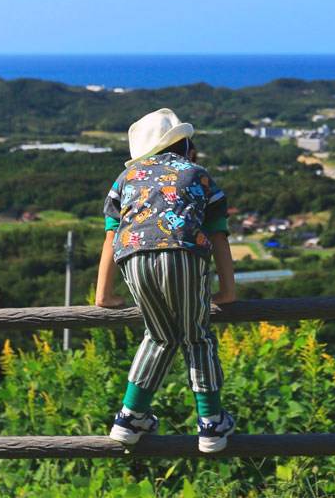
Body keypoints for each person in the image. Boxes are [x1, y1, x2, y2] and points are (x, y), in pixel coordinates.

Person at [95, 108, 238, 452]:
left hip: (132, 258)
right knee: (196, 337)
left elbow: (111, 236)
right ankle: (211, 423)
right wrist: (228, 292)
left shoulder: (125, 179)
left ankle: (130, 417)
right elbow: (218, 234)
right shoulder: (198, 174)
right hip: (184, 254)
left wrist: (104, 295)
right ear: (186, 146)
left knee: (159, 336)